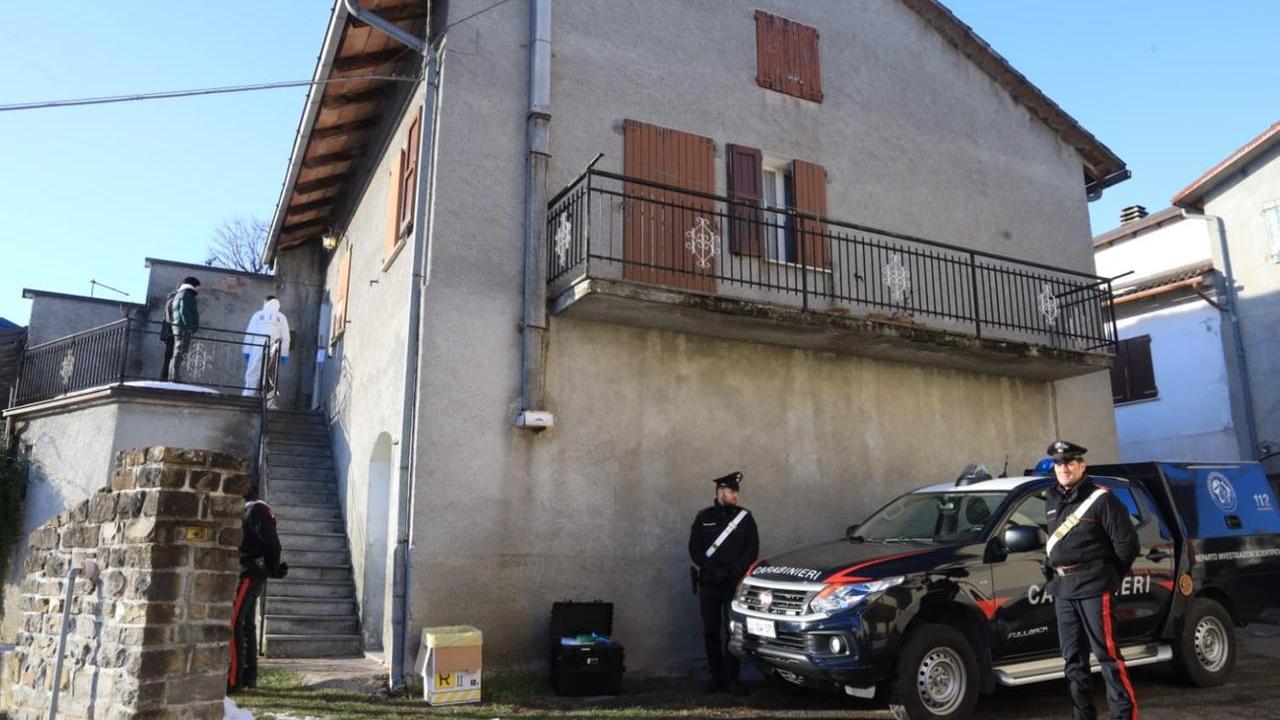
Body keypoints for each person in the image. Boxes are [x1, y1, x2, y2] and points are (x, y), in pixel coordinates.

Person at [1041, 440, 1141, 720]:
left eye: (1070, 462)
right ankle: (1083, 715)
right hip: (1064, 590)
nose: (1064, 468)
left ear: (1082, 465)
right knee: (1073, 661)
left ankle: (1124, 715)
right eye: (1058, 464)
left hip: (1095, 587)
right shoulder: (1051, 499)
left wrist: (1109, 578)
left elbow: (1127, 545)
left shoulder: (1102, 499)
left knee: (1108, 658)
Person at [687, 471, 759, 694]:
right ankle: (715, 677)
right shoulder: (703, 517)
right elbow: (695, 549)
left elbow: (751, 549)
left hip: (733, 584)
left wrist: (732, 570)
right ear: (718, 492)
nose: (734, 495)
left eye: (736, 491)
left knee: (733, 631)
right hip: (709, 583)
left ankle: (732, 679)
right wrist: (711, 570)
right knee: (710, 631)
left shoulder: (745, 518)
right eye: (730, 491)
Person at [229, 486, 288, 692]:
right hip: (251, 572)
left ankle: (233, 680)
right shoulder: (251, 509)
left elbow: (272, 544)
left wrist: (272, 568)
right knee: (245, 625)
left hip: (249, 573)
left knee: (233, 623)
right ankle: (247, 677)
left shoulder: (255, 509)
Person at [241, 295, 291, 402]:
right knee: (270, 376)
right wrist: (284, 354)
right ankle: (268, 402)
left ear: (266, 302)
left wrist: (246, 351)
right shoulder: (281, 317)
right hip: (273, 350)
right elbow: (286, 337)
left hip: (257, 348)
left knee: (253, 373)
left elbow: (249, 334)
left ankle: (246, 399)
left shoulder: (257, 315)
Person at [167, 277, 200, 382]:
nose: (199, 290)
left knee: (177, 351)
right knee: (180, 351)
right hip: (183, 328)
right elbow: (185, 311)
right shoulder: (187, 294)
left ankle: (173, 375)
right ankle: (174, 377)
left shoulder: (180, 294)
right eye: (199, 287)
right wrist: (189, 327)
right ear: (194, 285)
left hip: (178, 326)